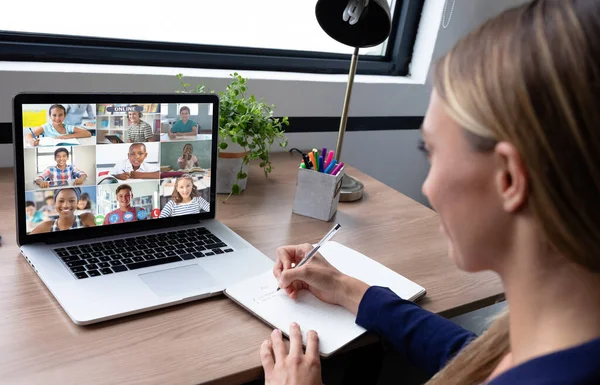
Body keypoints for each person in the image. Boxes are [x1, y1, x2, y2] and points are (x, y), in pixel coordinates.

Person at [259, 1, 600, 384]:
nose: (427, 186)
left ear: (508, 179)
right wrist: (342, 286)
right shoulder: (556, 338)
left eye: (432, 152)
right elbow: (467, 354)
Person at [30, 188, 96, 233]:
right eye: (61, 201)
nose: (66, 205)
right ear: (55, 203)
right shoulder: (47, 226)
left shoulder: (87, 218)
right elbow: (26, 244)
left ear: (77, 202)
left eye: (71, 200)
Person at [24, 104, 92, 146]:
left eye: (60, 115)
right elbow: (28, 135)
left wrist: (67, 136)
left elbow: (88, 133)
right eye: (54, 115)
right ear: (50, 116)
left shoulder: (68, 127)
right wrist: (31, 141)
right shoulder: (46, 127)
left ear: (64, 115)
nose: (57, 118)